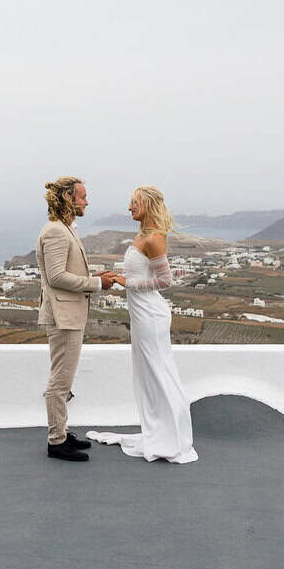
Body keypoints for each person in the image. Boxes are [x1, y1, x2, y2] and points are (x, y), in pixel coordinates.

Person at [87, 185, 198, 464]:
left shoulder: (154, 238)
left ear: (147, 204)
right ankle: (159, 431)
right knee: (148, 375)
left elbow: (165, 281)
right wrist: (119, 277)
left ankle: (173, 437)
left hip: (151, 315)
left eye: (134, 202)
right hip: (140, 315)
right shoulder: (141, 236)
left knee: (160, 373)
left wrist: (128, 282)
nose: (129, 207)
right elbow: (141, 273)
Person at [37, 177, 115, 462]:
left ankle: (62, 432)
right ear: (69, 198)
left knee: (64, 379)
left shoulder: (64, 228)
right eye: (82, 196)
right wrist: (96, 283)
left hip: (67, 314)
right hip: (63, 316)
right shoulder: (56, 232)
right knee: (60, 382)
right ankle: (56, 441)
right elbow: (56, 276)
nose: (86, 202)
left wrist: (92, 278)